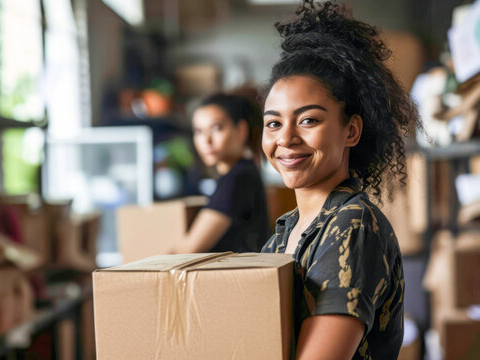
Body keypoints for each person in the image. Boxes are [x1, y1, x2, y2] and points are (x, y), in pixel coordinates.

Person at [260, 1, 419, 359]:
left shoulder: (352, 225)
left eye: (308, 120)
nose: (285, 138)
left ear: (351, 130)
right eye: (273, 123)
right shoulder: (281, 236)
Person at [170, 93, 269, 253]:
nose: (207, 141)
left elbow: (189, 249)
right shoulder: (242, 173)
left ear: (241, 130)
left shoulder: (238, 177)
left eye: (217, 128)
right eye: (199, 131)